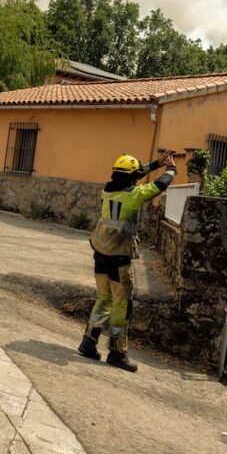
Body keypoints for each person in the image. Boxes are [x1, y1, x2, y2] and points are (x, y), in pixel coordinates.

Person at [78, 151, 176, 372]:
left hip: (100, 253)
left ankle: (88, 342)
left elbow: (134, 174)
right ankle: (117, 352)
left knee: (103, 298)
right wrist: (171, 169)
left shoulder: (107, 190)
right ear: (132, 178)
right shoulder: (133, 196)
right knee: (122, 304)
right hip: (119, 259)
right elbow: (159, 186)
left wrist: (155, 164)